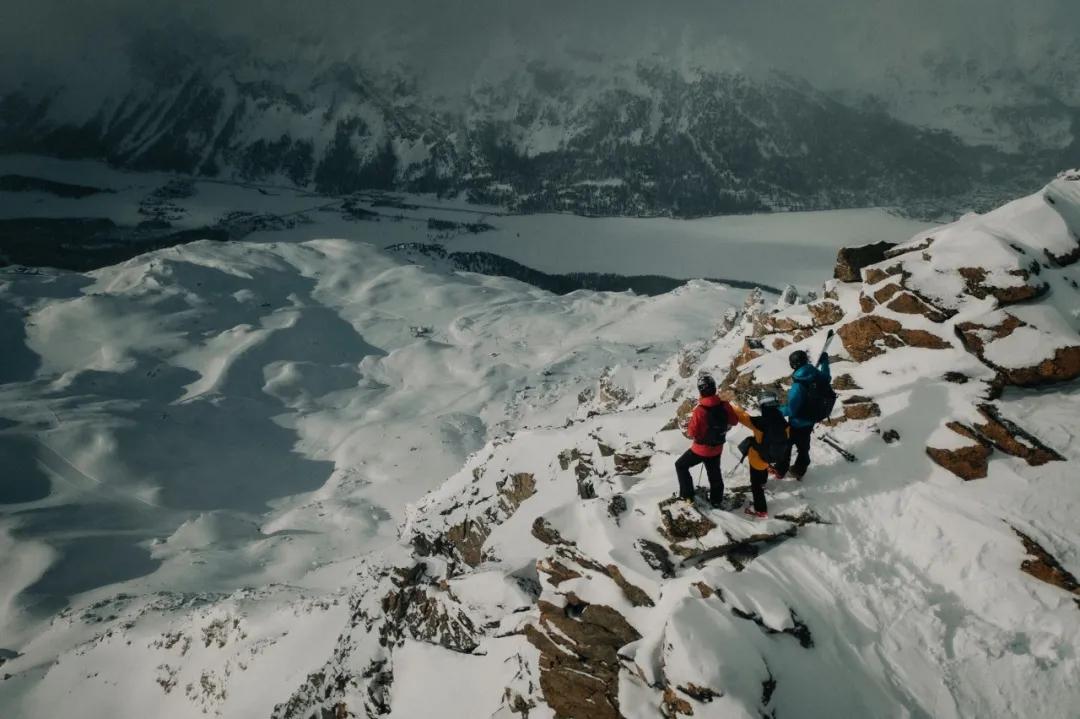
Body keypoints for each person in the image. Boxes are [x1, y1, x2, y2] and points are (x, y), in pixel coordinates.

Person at [675, 373, 737, 507]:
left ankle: (687, 496)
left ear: (701, 391)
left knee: (680, 465)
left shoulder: (700, 410)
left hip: (700, 450)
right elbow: (734, 421)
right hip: (717, 448)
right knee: (714, 475)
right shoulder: (724, 405)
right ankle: (716, 501)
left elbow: (692, 432)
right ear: (714, 388)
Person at [732, 392, 791, 518]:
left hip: (758, 459)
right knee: (764, 461)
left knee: (755, 484)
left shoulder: (759, 422)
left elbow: (742, 417)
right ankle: (764, 481)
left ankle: (761, 509)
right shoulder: (784, 422)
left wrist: (729, 404)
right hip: (776, 455)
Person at [777, 349, 831, 480]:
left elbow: (791, 409)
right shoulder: (816, 375)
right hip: (811, 419)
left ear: (793, 365)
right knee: (803, 447)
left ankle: (780, 470)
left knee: (786, 446)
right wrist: (825, 362)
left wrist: (776, 410)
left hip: (796, 422)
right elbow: (827, 377)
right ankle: (799, 470)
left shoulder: (799, 385)